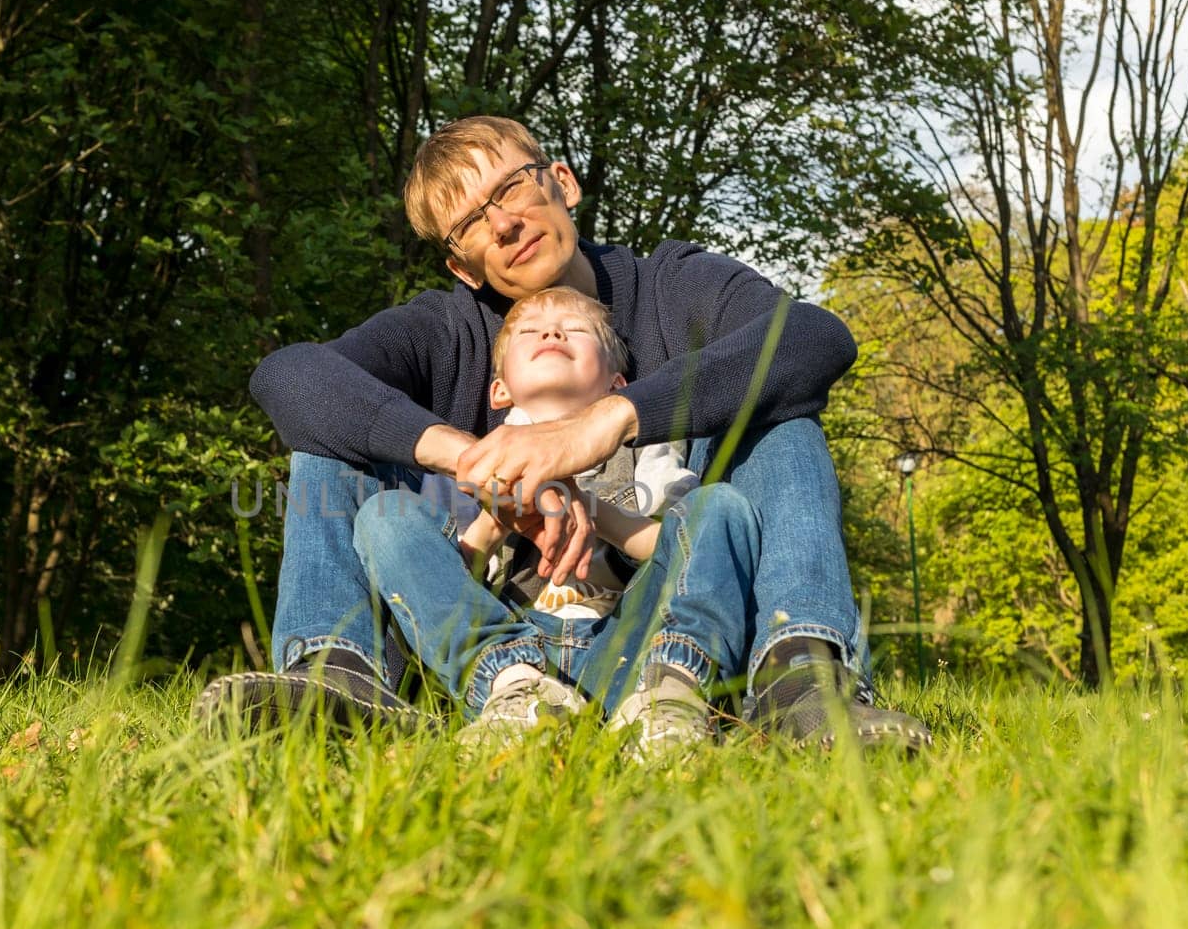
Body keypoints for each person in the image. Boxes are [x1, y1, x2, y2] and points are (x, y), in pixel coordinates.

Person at [195, 115, 929, 750]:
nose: (503, 222)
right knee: (332, 431)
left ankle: (800, 678)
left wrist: (605, 423)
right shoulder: (446, 329)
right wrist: (475, 459)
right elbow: (288, 376)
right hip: (491, 648)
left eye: (510, 188)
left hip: (649, 624)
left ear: (563, 183)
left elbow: (814, 337)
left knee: (778, 405)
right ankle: (341, 680)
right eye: (471, 222)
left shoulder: (669, 283)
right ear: (462, 265)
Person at [355, 286, 758, 757]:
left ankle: (670, 698)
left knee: (722, 506)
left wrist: (587, 504)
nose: (550, 332)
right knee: (386, 515)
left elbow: (684, 549)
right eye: (530, 330)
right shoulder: (472, 461)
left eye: (576, 330)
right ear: (500, 389)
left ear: (617, 384)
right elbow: (444, 581)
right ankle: (516, 694)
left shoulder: (647, 449)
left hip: (628, 646)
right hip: (517, 647)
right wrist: (501, 514)